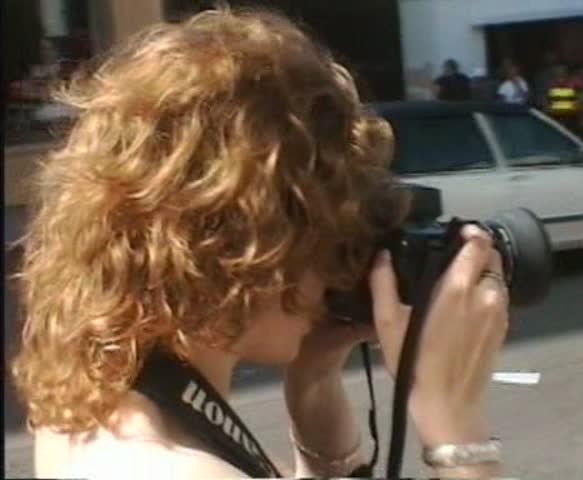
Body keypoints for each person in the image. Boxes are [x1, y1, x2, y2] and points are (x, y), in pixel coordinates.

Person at [12, 8, 510, 479]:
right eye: (329, 236)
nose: (340, 269)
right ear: (241, 243)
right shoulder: (174, 468)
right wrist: (455, 433)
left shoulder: (95, 408)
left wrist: (315, 390)